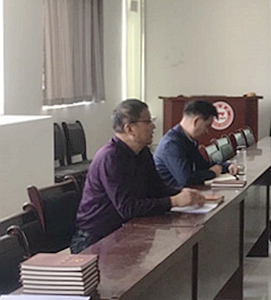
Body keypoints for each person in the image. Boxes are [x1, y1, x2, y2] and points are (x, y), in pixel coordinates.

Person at [71, 99, 205, 253]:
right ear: (130, 129)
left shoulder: (142, 152)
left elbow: (157, 188)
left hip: (125, 231)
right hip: (95, 239)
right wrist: (174, 201)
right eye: (148, 122)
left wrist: (183, 192)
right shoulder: (110, 158)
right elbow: (128, 208)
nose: (153, 126)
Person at [154, 100, 238, 189]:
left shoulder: (188, 139)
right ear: (196, 121)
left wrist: (226, 166)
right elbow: (185, 179)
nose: (207, 131)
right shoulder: (171, 143)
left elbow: (202, 166)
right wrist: (212, 173)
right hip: (173, 194)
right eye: (207, 126)